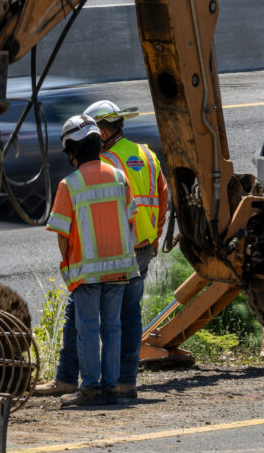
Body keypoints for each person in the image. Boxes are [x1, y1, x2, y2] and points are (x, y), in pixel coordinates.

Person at [37, 100, 168, 402]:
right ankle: (122, 384)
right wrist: (156, 236)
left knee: (83, 321)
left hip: (102, 256)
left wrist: (70, 263)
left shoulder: (100, 167)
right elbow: (160, 195)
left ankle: (79, 382)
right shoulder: (146, 155)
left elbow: (68, 229)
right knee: (124, 321)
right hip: (135, 252)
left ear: (104, 129)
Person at [44, 114, 139, 407]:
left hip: (86, 272)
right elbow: (130, 221)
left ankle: (89, 389)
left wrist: (69, 264)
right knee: (113, 327)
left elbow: (62, 234)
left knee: (87, 328)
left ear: (72, 150)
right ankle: (110, 388)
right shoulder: (119, 177)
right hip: (121, 268)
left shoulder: (69, 185)